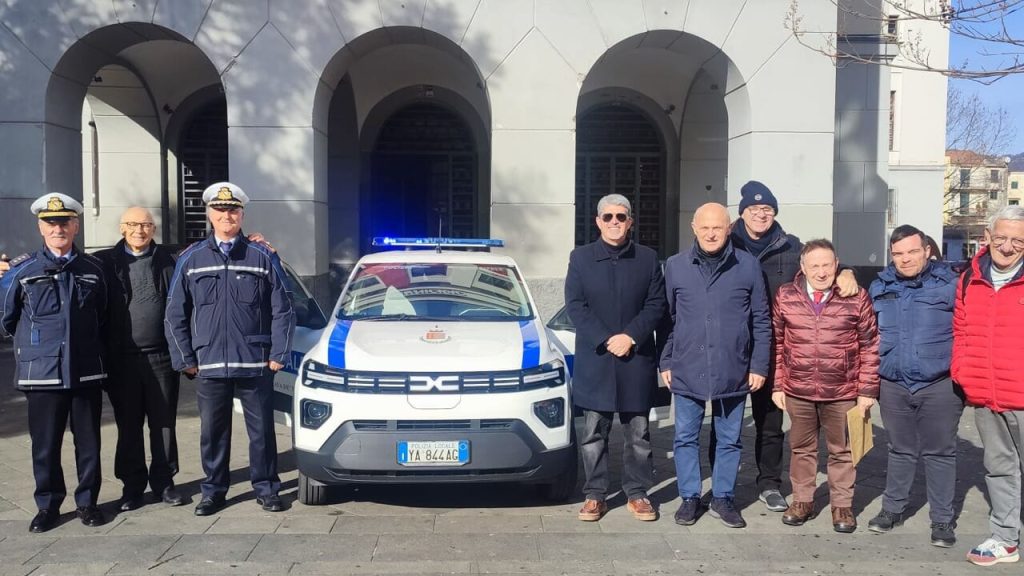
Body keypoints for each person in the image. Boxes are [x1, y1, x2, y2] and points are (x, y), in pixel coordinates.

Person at [721, 180, 860, 512]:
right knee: (725, 423)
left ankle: (769, 483)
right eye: (754, 209)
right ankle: (721, 488)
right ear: (742, 213)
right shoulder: (726, 243)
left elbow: (821, 267)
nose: (760, 215)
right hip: (732, 346)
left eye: (767, 209)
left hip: (774, 348)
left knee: (770, 424)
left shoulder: (790, 246)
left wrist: (848, 271)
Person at [164, 182, 295, 516]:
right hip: (208, 363)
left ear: (241, 214)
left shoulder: (262, 255)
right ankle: (214, 491)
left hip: (255, 360)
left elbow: (283, 307)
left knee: (262, 432)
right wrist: (184, 359)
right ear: (209, 214)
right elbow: (175, 311)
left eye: (233, 210)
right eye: (220, 211)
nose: (227, 216)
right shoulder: (191, 258)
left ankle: (266, 488)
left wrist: (279, 353)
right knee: (213, 433)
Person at [0, 193, 108, 532]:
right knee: (45, 446)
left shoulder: (93, 270)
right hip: (41, 373)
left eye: (64, 222)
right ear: (41, 227)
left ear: (76, 225)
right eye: (51, 222)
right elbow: (6, 317)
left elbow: (103, 315)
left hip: (85, 369)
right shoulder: (23, 271)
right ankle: (47, 506)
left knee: (89, 443)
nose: (58, 228)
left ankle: (87, 503)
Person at [660, 202, 771, 529]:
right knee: (684, 437)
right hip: (686, 365)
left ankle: (723, 497)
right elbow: (667, 319)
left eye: (717, 227)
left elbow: (762, 320)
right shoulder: (676, 266)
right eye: (705, 227)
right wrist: (666, 360)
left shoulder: (748, 266)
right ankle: (690, 497)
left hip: (733, 367)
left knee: (730, 438)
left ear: (729, 229)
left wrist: (759, 365)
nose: (711, 233)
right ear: (694, 228)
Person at [565, 194, 666, 522]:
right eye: (607, 217)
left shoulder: (649, 259)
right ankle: (595, 494)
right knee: (594, 432)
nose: (614, 223)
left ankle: (637, 492)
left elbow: (656, 305)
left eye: (621, 217)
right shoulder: (580, 259)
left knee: (638, 434)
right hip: (597, 358)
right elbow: (575, 306)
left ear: (631, 221)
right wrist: (607, 339)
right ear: (597, 221)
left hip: (635, 358)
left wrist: (630, 336)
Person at [771, 239, 879, 533]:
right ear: (803, 268)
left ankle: (842, 506)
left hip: (842, 392)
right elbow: (778, 344)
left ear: (837, 265)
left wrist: (867, 391)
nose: (821, 272)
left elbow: (870, 345)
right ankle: (803, 501)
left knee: (842, 450)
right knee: (801, 449)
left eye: (827, 265)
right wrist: (778, 385)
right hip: (798, 390)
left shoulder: (855, 296)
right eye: (814, 265)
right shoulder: (785, 295)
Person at [867, 225, 963, 547]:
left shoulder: (951, 284)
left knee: (940, 452)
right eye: (898, 253)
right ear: (891, 255)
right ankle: (892, 509)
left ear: (927, 251)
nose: (905, 259)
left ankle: (942, 520)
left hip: (939, 384)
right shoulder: (879, 286)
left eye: (912, 251)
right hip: (893, 383)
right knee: (900, 449)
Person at [94, 207, 185, 511]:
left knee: (163, 423)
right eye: (132, 224)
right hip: (122, 360)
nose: (139, 230)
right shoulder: (103, 261)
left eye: (145, 224)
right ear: (122, 228)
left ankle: (164, 482)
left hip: (161, 356)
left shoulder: (170, 258)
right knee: (128, 425)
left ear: (154, 228)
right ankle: (132, 487)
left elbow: (207, 247)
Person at [952, 205, 1024, 567]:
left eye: (1018, 241)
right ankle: (1006, 538)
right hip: (985, 393)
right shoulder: (969, 278)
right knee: (999, 467)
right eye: (1002, 238)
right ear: (987, 237)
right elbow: (961, 331)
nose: (1008, 247)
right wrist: (962, 372)